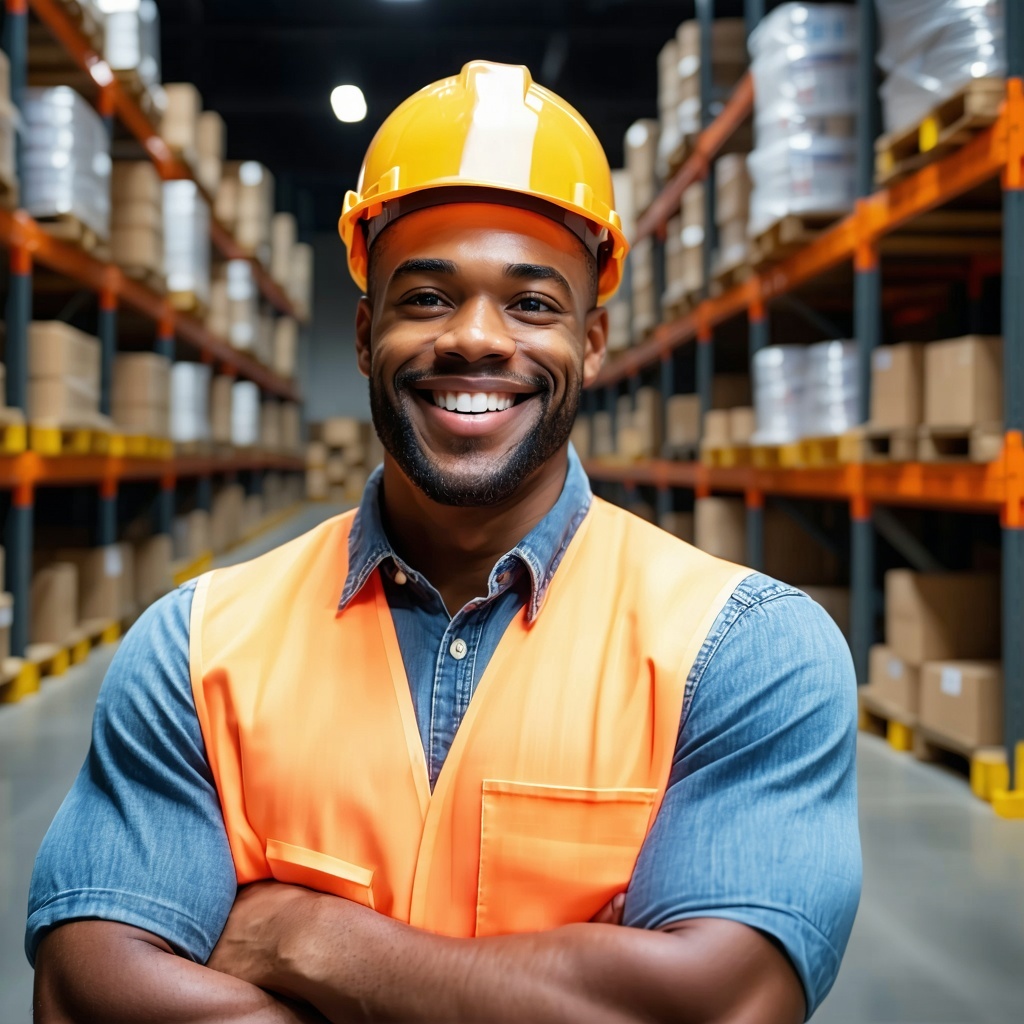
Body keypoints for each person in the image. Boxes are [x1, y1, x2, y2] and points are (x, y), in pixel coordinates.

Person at [28, 61, 861, 1023]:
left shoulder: (745, 650)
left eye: (532, 304)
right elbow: (88, 988)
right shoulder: (196, 648)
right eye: (426, 297)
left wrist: (308, 938)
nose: (476, 338)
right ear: (364, 329)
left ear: (591, 343)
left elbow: (717, 1005)